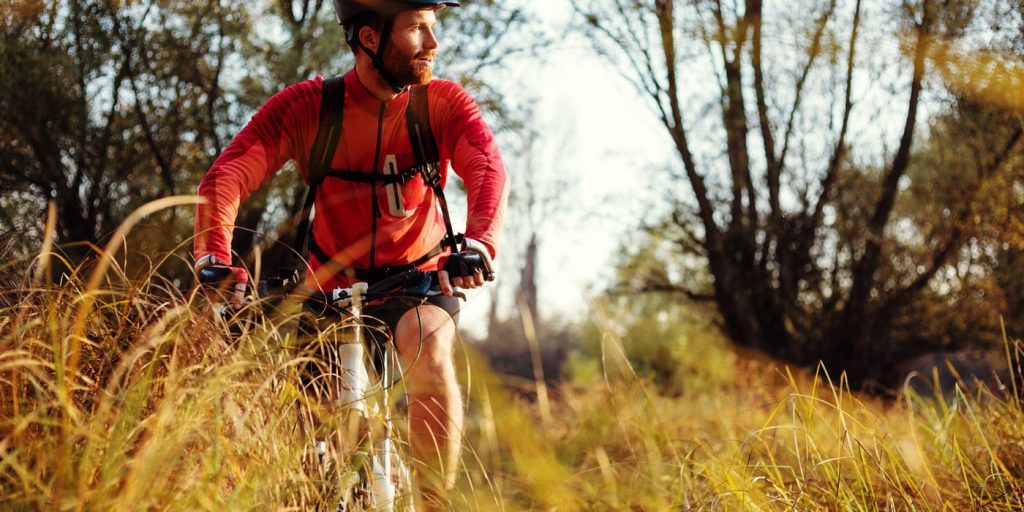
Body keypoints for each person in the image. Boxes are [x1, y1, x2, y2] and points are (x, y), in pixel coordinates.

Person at [192, 0, 509, 506]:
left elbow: (486, 167)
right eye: (416, 28)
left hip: (419, 279)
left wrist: (476, 243)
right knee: (315, 429)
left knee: (425, 341)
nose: (434, 43)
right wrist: (214, 256)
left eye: (433, 26)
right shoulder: (310, 108)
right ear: (369, 39)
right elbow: (227, 176)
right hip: (329, 287)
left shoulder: (441, 104)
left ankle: (433, 501)